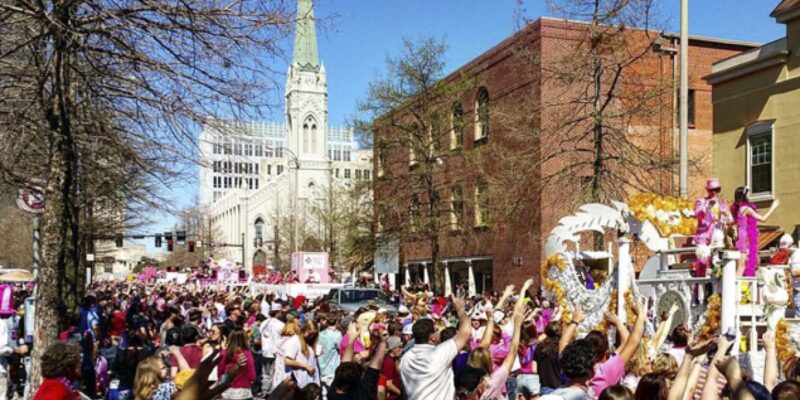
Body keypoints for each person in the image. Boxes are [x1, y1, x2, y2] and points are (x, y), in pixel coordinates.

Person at [400, 296, 471, 400]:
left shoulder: (405, 358)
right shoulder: (440, 352)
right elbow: (465, 333)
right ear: (432, 337)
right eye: (436, 330)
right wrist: (460, 310)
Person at [327, 324, 388, 400]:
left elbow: (344, 365)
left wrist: (351, 339)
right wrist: (383, 342)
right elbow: (373, 370)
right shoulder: (362, 393)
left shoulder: (333, 392)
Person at [731, 186, 779, 276]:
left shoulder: (736, 208)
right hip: (743, 237)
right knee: (741, 266)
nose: (750, 195)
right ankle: (735, 288)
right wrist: (773, 207)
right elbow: (763, 219)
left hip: (741, 236)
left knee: (751, 262)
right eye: (748, 193)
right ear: (744, 195)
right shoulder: (746, 209)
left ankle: (743, 285)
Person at [217, 329, 256, 400]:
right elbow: (252, 375)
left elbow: (220, 372)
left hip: (226, 389)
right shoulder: (247, 353)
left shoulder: (223, 353)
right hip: (242, 390)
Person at [260, 302, 284, 396]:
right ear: (277, 312)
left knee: (266, 373)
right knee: (274, 373)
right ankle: (270, 392)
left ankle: (265, 391)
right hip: (275, 352)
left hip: (265, 351)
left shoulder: (264, 323)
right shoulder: (280, 324)